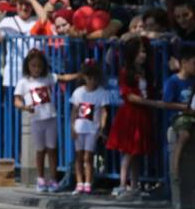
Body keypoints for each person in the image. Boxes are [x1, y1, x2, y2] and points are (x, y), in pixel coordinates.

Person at [13, 48, 77, 192]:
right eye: (33, 66)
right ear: (28, 66)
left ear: (43, 66)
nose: (36, 69)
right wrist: (25, 107)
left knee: (52, 150)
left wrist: (79, 75)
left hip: (50, 118)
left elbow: (64, 78)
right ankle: (41, 179)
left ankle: (53, 179)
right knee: (40, 150)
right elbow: (16, 101)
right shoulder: (24, 82)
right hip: (36, 120)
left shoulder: (47, 77)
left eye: (39, 66)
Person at [106, 38, 158, 200]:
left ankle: (134, 185)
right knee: (129, 151)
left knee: (137, 153)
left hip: (142, 114)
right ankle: (122, 185)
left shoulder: (145, 71)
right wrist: (151, 102)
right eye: (140, 52)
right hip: (130, 115)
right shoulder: (126, 72)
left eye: (144, 52)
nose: (143, 55)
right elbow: (129, 95)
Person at [160, 46, 195, 207]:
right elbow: (167, 103)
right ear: (184, 62)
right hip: (179, 116)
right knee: (184, 134)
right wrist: (183, 108)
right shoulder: (173, 81)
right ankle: (175, 169)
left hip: (192, 114)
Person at [68, 60, 109, 195]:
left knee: (88, 157)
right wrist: (72, 127)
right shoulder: (78, 92)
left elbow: (104, 112)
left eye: (94, 78)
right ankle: (79, 182)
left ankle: (88, 182)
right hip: (79, 129)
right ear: (84, 77)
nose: (91, 80)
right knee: (78, 156)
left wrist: (102, 128)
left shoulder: (101, 93)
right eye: (88, 77)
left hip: (92, 129)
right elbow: (74, 111)